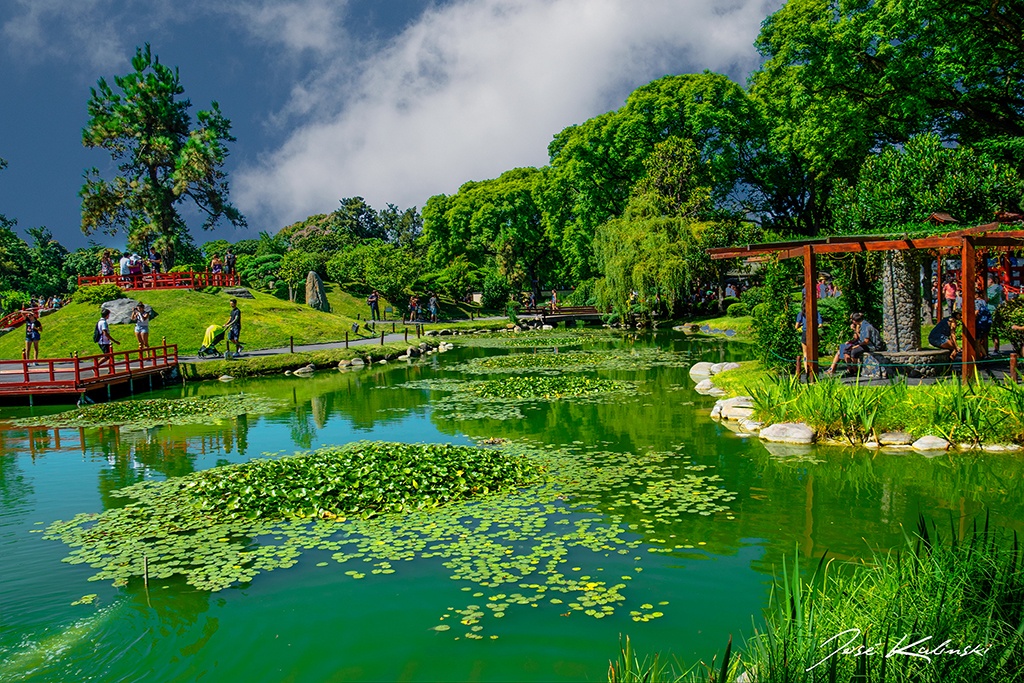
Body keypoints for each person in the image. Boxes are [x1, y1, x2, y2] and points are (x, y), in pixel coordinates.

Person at [795, 304, 822, 375]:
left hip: (805, 333)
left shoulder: (801, 314)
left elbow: (796, 326)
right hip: (814, 333)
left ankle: (807, 370)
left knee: (805, 353)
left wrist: (801, 325)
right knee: (814, 352)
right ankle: (815, 370)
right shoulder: (816, 313)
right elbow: (820, 324)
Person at [987, 274, 1004, 352]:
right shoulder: (989, 288)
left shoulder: (995, 287)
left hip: (992, 310)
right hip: (987, 310)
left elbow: (988, 298)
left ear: (990, 280)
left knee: (993, 330)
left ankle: (996, 348)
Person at [974, 293, 992, 359]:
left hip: (979, 324)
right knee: (979, 342)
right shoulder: (983, 302)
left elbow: (976, 312)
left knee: (976, 342)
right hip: (986, 324)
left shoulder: (976, 302)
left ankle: (978, 358)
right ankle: (985, 355)